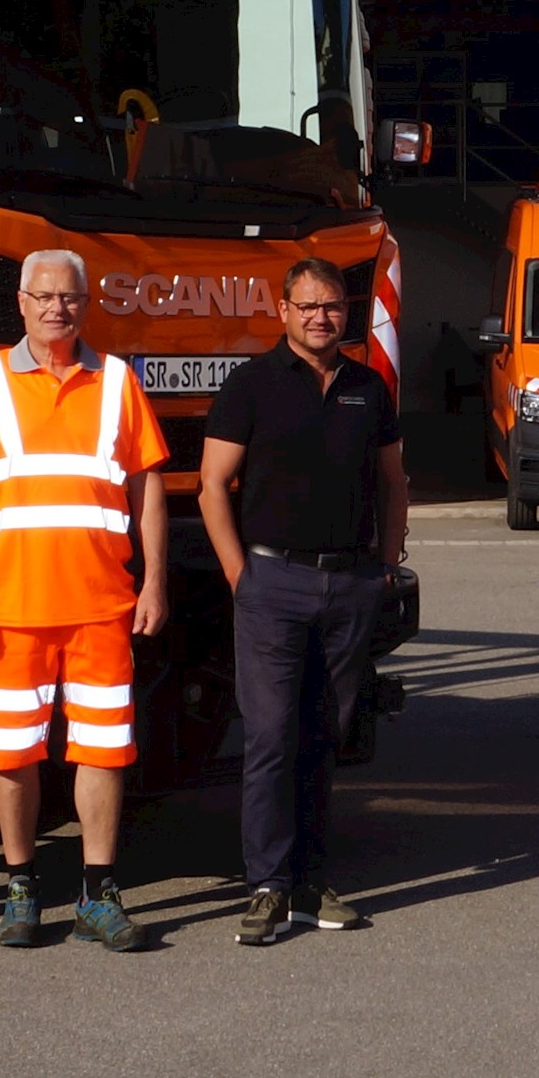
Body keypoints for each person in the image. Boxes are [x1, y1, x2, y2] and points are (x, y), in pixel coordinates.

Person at [0, 248, 171, 952]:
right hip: (5, 608)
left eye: (69, 297)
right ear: (22, 301)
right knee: (11, 755)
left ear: (85, 303)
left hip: (101, 604)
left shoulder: (119, 382)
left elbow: (147, 486)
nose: (56, 309)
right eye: (44, 297)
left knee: (102, 751)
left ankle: (98, 893)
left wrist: (154, 577)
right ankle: (21, 887)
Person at [200, 256, 411, 946]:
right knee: (269, 738)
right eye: (308, 306)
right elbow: (212, 486)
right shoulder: (251, 383)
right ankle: (265, 885)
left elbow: (392, 480)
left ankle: (312, 882)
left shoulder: (368, 387)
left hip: (349, 582)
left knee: (326, 735)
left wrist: (384, 564)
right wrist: (240, 575)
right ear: (283, 310)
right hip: (272, 584)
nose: (322, 317)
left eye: (333, 307)